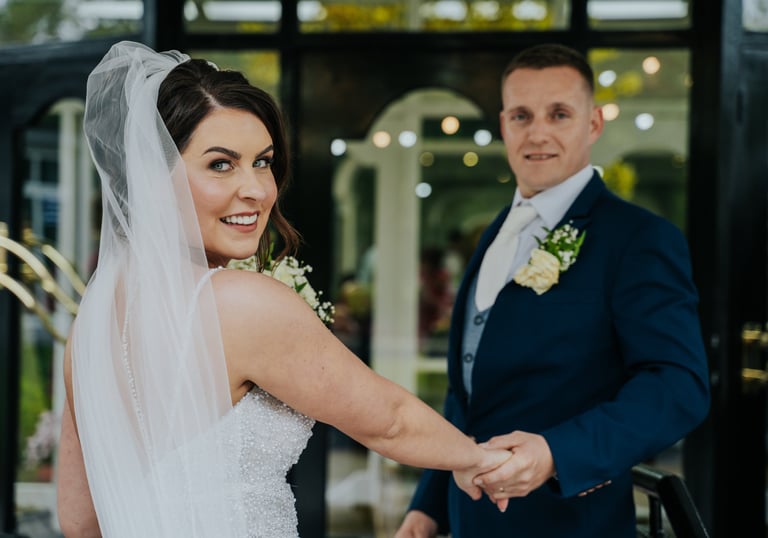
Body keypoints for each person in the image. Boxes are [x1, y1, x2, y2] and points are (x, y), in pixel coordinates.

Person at [55, 41, 512, 538]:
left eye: (264, 161)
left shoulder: (93, 326)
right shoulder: (239, 303)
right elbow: (390, 421)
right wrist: (477, 458)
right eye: (220, 164)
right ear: (151, 179)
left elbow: (80, 520)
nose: (256, 189)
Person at [395, 43, 710, 538]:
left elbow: (677, 385)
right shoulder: (497, 230)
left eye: (559, 114)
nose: (537, 133)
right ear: (503, 125)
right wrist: (430, 505)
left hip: (570, 522)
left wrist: (558, 453)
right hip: (471, 519)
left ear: (593, 124)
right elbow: (471, 391)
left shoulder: (639, 239)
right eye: (522, 115)